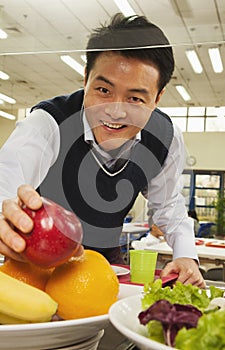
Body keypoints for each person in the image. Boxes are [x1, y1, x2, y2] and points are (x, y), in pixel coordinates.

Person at [0, 13, 205, 287]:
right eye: (103, 90)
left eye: (135, 98)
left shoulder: (165, 137)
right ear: (85, 78)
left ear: (157, 98)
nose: (115, 111)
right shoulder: (48, 122)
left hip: (107, 264)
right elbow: (5, 183)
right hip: (37, 265)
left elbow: (168, 205)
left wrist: (186, 256)